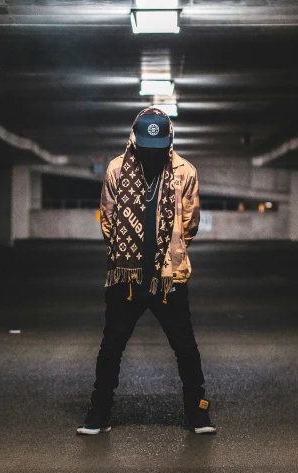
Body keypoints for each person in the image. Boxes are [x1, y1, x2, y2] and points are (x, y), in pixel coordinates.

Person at [77, 107, 216, 435]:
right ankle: (99, 413)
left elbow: (190, 222)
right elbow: (108, 219)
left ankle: (198, 412)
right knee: (112, 345)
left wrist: (169, 253)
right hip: (127, 279)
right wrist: (132, 256)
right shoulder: (115, 169)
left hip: (169, 277)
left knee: (185, 346)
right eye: (146, 147)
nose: (152, 154)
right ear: (134, 140)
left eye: (158, 147)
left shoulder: (185, 172)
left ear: (169, 142)